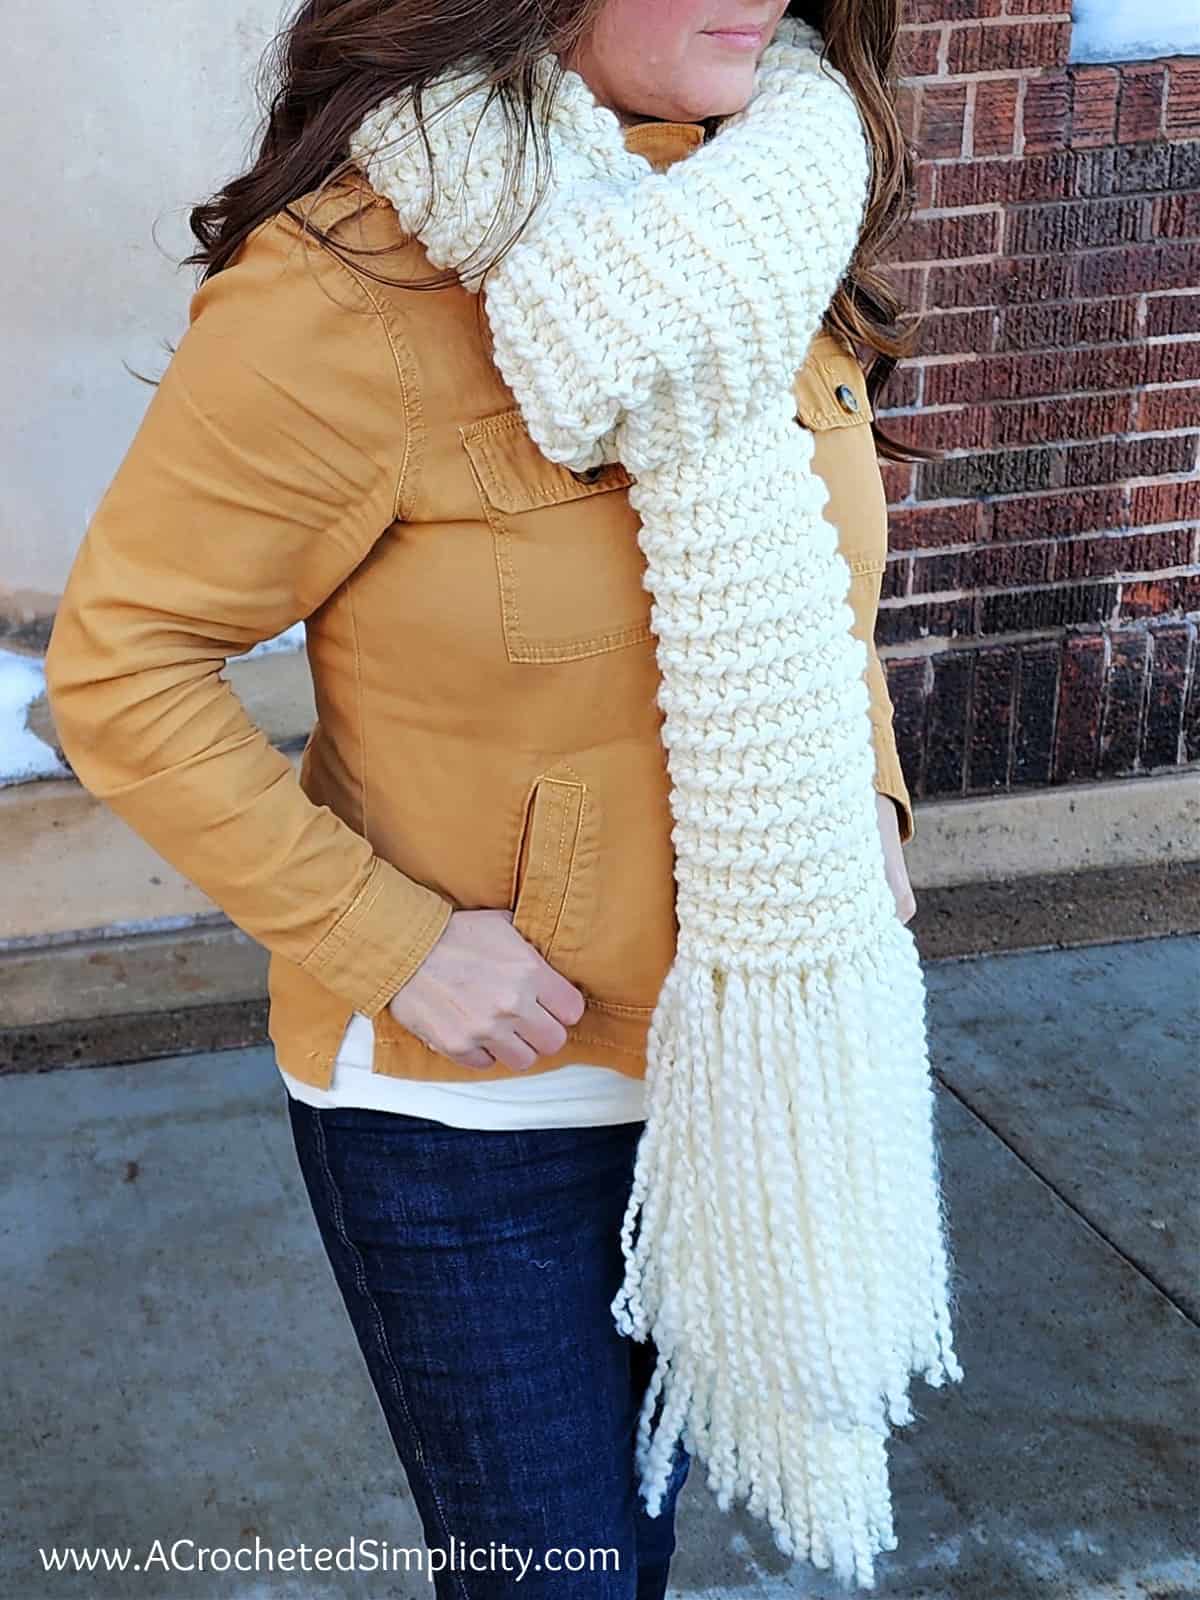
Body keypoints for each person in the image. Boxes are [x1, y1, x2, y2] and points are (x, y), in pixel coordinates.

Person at [45, 2, 938, 1594]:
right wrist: (386, 940)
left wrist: (866, 791)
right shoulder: (356, 282)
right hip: (480, 1122)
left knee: (636, 1552)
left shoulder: (784, 192)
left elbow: (824, 595)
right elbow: (124, 669)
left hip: (744, 1087)